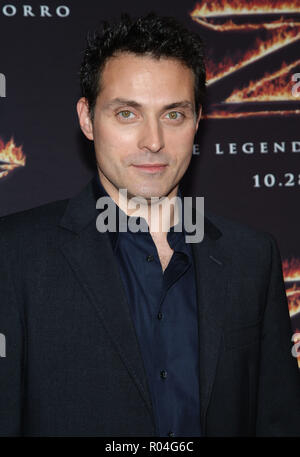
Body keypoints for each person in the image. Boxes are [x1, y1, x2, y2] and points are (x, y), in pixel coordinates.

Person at [0, 12, 300, 437]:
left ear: (198, 119)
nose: (153, 140)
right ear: (88, 119)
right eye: (127, 114)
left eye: (173, 115)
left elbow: (278, 420)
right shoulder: (14, 255)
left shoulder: (252, 256)